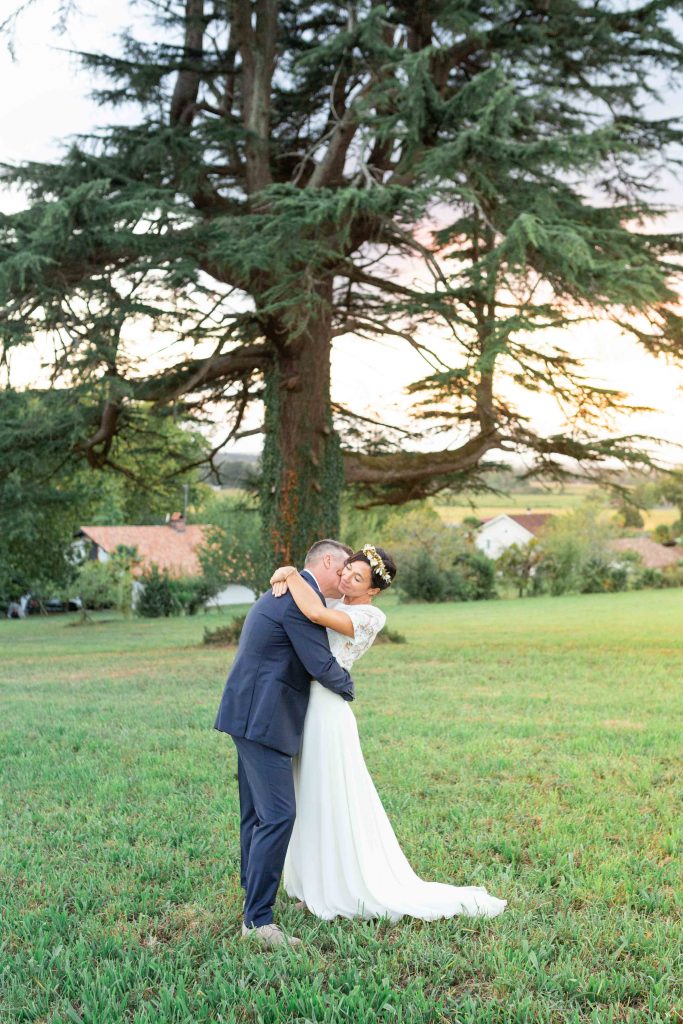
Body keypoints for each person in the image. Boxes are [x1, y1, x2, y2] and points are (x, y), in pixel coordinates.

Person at [270, 544, 507, 923]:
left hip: (328, 712)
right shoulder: (336, 601)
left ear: (373, 590)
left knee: (330, 794)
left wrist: (289, 572)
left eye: (358, 577)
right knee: (309, 794)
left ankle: (340, 886)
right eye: (347, 569)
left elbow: (312, 612)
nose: (347, 577)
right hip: (304, 708)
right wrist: (284, 575)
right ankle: (314, 884)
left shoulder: (368, 615)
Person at [214, 539, 355, 948]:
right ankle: (258, 921)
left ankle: (253, 898)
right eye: (344, 568)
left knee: (257, 814)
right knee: (277, 815)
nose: (345, 578)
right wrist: (348, 687)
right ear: (327, 561)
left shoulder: (293, 589)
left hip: (250, 712)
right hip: (263, 717)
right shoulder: (299, 598)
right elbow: (320, 664)